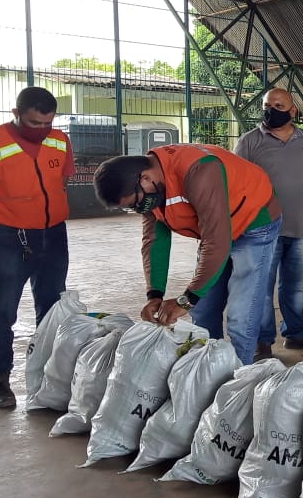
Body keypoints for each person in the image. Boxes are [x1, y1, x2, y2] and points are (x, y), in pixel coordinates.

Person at [93, 144, 282, 365]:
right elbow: (155, 241)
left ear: (144, 178)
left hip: (254, 222)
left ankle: (239, 381)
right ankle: (210, 370)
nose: (138, 208)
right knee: (202, 313)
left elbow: (216, 243)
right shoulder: (152, 190)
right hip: (216, 227)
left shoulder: (199, 171)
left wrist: (186, 299)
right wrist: (154, 294)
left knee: (241, 314)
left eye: (135, 202)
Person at [0, 86, 74, 409]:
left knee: (52, 309)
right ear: (16, 114)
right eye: (34, 123)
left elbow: (59, 181)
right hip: (8, 238)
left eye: (47, 123)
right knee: (2, 309)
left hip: (53, 235)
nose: (41, 131)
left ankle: (50, 378)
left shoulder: (60, 140)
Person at [232, 88, 303, 359]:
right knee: (262, 288)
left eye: (278, 105)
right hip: (262, 231)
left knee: (295, 286)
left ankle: (296, 334)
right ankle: (263, 341)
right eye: (267, 105)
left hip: (301, 228)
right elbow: (235, 186)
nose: (271, 110)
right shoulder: (249, 142)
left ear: (292, 111)